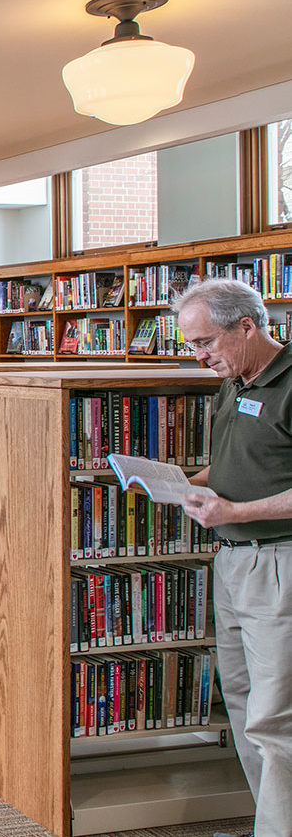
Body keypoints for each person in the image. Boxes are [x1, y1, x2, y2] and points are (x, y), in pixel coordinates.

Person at [173, 278, 292, 837]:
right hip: (234, 561)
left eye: (205, 342)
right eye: (192, 346)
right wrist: (171, 482)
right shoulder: (235, 381)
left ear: (247, 325)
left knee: (277, 715)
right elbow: (232, 469)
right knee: (242, 702)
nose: (200, 357)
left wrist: (235, 514)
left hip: (279, 562)